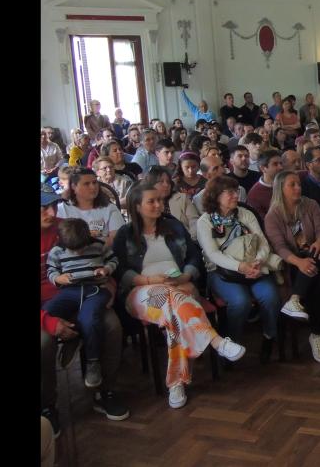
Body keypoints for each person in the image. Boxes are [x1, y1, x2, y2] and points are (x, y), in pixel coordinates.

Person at [115, 183, 246, 409]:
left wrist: (185, 277)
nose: (159, 204)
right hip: (142, 292)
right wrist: (149, 281)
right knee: (171, 300)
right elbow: (119, 269)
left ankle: (176, 382)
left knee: (174, 315)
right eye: (151, 201)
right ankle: (216, 341)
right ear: (137, 207)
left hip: (181, 286)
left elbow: (195, 258)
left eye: (159, 200)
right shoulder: (125, 234)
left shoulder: (173, 227)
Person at [41, 193, 129, 431]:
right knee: (43, 342)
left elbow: (104, 256)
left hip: (89, 292)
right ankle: (47, 406)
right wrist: (48, 322)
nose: (52, 213)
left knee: (112, 327)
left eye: (52, 206)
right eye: (43, 208)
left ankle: (105, 391)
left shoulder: (68, 228)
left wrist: (109, 285)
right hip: (48, 304)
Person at [196, 176, 280, 362]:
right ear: (216, 196)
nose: (236, 195)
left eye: (236, 191)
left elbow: (263, 243)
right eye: (230, 192)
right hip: (221, 272)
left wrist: (257, 261)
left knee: (270, 297)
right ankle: (231, 343)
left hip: (253, 267)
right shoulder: (205, 221)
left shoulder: (244, 214)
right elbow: (212, 254)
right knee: (240, 302)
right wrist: (239, 266)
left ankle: (269, 336)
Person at [263, 171, 320, 363]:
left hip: (318, 255)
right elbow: (279, 247)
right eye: (292, 185)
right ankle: (317, 335)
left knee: (314, 258)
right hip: (292, 263)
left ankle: (295, 299)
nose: (298, 188)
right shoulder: (273, 215)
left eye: (298, 184)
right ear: (280, 189)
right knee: (313, 279)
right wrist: (299, 262)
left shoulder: (310, 204)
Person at [45, 217, 118, 388]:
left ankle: (93, 362)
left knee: (89, 318)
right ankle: (74, 338)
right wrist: (58, 279)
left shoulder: (98, 245)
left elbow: (113, 260)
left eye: (82, 248)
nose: (78, 253)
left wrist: (106, 269)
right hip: (69, 291)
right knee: (48, 310)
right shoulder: (57, 251)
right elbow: (51, 270)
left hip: (96, 290)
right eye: (73, 250)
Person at [58, 168, 125, 247]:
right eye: (86, 184)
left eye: (94, 182)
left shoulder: (110, 209)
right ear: (73, 186)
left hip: (102, 255)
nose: (93, 187)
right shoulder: (62, 209)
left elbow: (116, 239)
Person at [143, 166, 201, 240]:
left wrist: (187, 240)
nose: (166, 185)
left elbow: (195, 222)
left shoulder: (182, 198)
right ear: (151, 184)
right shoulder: (144, 203)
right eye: (161, 182)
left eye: (168, 182)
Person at [246, 149, 283, 220]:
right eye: (275, 164)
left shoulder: (287, 183)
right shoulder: (254, 195)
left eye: (281, 163)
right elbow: (263, 222)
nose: (280, 167)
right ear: (263, 168)